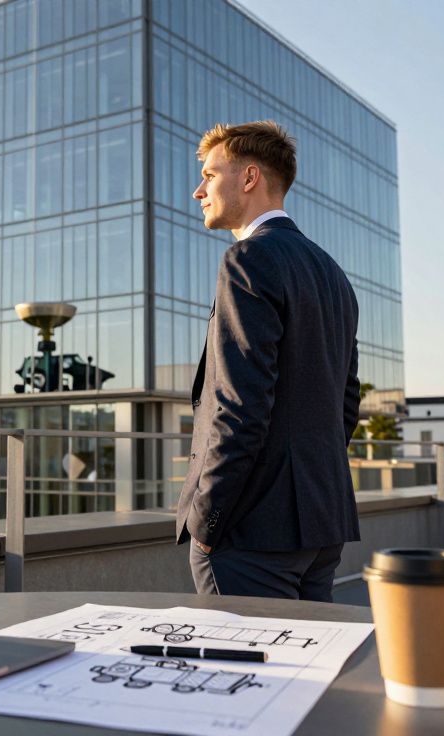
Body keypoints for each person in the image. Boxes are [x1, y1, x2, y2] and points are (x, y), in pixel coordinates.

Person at [176, 120, 361, 602]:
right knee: (307, 672)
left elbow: (239, 408)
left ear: (250, 178)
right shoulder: (332, 272)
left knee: (243, 671)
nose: (198, 191)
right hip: (319, 525)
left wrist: (207, 519)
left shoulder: (247, 260)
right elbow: (345, 404)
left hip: (251, 531)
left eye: (210, 175)